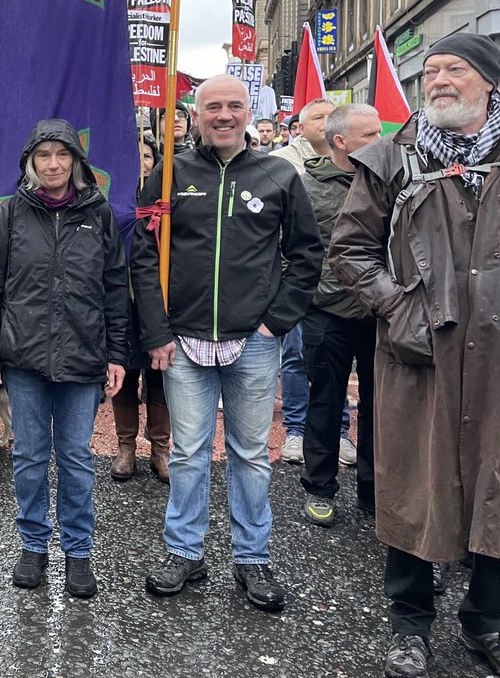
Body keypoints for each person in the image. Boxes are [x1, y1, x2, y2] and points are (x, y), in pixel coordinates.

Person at [329, 33, 500, 678]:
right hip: (420, 356)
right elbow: (349, 251)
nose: (437, 81)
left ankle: (489, 623)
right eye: (429, 71)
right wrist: (399, 308)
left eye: (454, 70)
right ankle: (410, 628)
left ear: (489, 81)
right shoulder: (390, 160)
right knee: (413, 491)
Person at [136, 75, 321, 612]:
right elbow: (145, 256)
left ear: (248, 112)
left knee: (250, 455)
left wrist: (276, 322)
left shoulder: (279, 175)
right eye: (211, 106)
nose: (223, 115)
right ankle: (184, 551)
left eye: (233, 106)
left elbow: (307, 255)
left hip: (255, 342)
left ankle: (252, 557)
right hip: (183, 340)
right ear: (195, 115)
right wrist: (156, 330)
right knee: (189, 453)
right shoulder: (170, 175)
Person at [0, 118, 129, 600]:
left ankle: (78, 551)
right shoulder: (11, 214)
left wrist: (118, 353)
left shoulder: (98, 213)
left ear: (76, 162)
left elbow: (114, 289)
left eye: (63, 155)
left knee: (78, 459)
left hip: (83, 356)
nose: (54, 164)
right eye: (44, 156)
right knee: (29, 456)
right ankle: (33, 544)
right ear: (31, 163)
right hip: (24, 358)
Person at [297, 103, 382, 529]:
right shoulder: (306, 186)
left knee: (380, 407)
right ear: (340, 141)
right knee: (326, 403)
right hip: (325, 314)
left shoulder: (389, 180)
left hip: (380, 313)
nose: (379, 140)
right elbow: (291, 249)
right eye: (369, 134)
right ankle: (319, 488)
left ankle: (374, 490)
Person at [270, 98, 355, 468]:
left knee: (337, 369)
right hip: (302, 285)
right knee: (295, 358)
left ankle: (340, 433)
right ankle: (296, 429)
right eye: (316, 117)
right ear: (300, 127)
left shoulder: (363, 166)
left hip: (350, 289)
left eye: (329, 115)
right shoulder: (281, 164)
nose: (325, 122)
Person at [111, 134, 170, 483]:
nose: (141, 163)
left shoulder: (165, 197)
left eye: (147, 156)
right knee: (125, 374)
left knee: (161, 375)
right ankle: (125, 447)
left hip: (160, 299)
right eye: (134, 157)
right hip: (123, 298)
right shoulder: (112, 199)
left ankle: (160, 448)